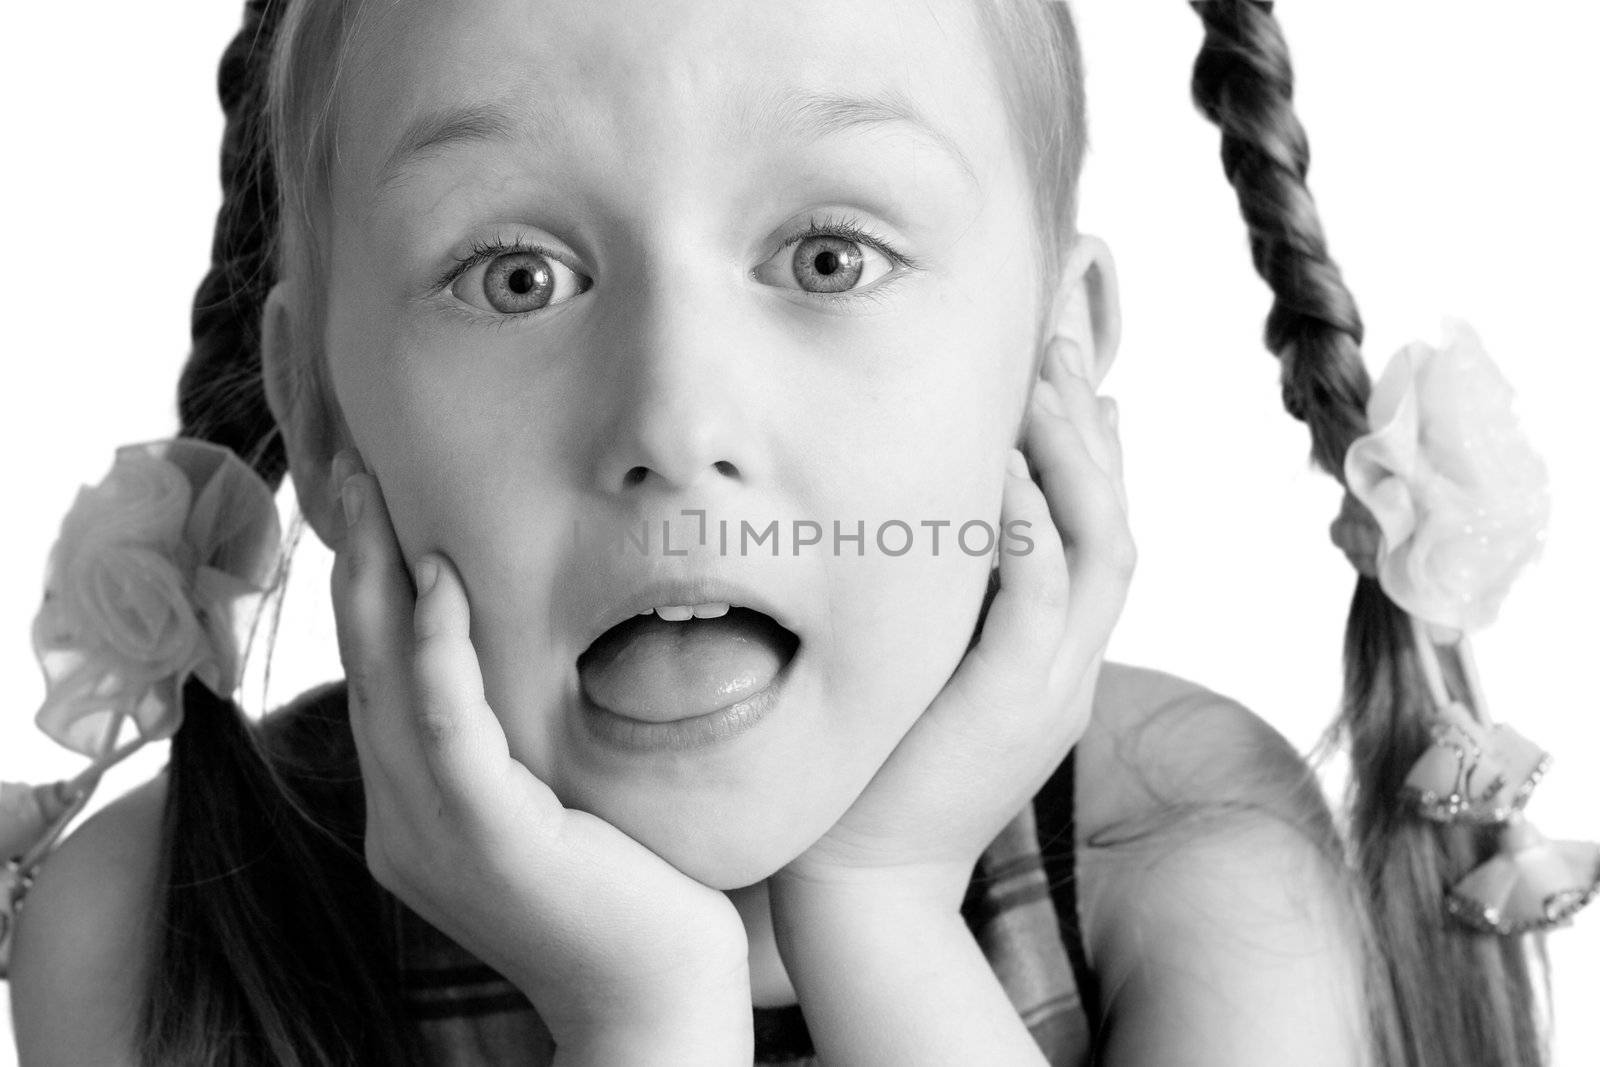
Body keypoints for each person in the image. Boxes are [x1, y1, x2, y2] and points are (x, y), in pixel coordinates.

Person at [1, 1, 1581, 1064]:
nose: (675, 422)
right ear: (327, 409)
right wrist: (644, 1023)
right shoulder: (160, 933)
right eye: (515, 276)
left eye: (829, 257)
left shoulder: (1180, 848)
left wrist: (882, 913)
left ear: (1055, 364)